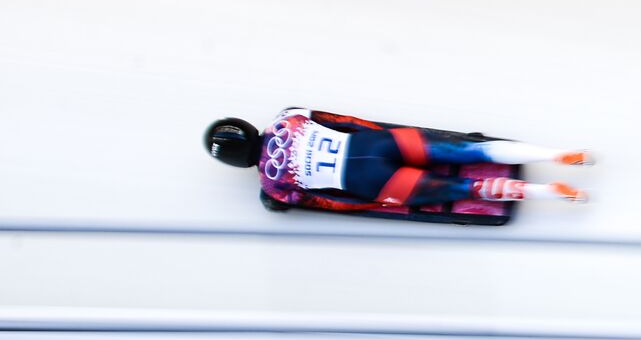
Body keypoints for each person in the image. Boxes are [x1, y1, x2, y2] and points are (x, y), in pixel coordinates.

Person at [204, 107, 591, 210]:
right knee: (471, 148)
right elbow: (340, 121)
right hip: (379, 144)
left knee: (466, 189)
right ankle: (553, 153)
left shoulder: (272, 186)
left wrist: (369, 204)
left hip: (373, 183)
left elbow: (323, 203)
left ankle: (549, 193)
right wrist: (375, 132)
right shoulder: (286, 120)